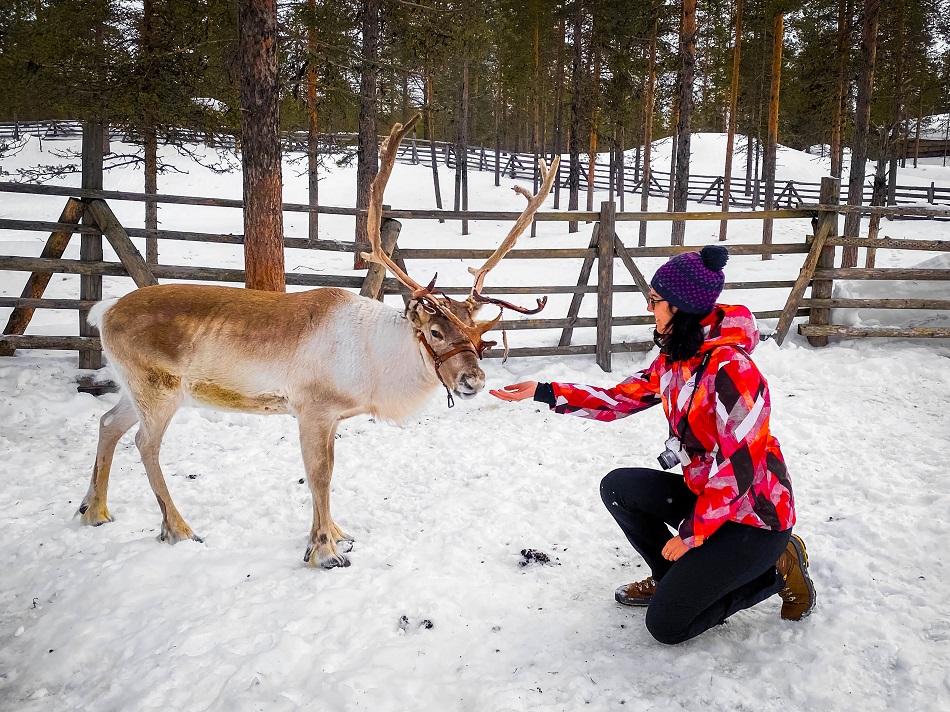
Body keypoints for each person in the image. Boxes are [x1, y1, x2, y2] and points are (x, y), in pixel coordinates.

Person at [491, 245, 816, 645]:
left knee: (667, 627)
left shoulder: (733, 370)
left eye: (656, 300)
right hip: (709, 500)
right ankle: (669, 579)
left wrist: (691, 535)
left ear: (679, 308)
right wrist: (543, 391)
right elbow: (619, 400)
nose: (651, 308)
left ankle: (775, 571)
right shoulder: (677, 360)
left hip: (755, 519)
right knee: (618, 487)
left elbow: (741, 467)